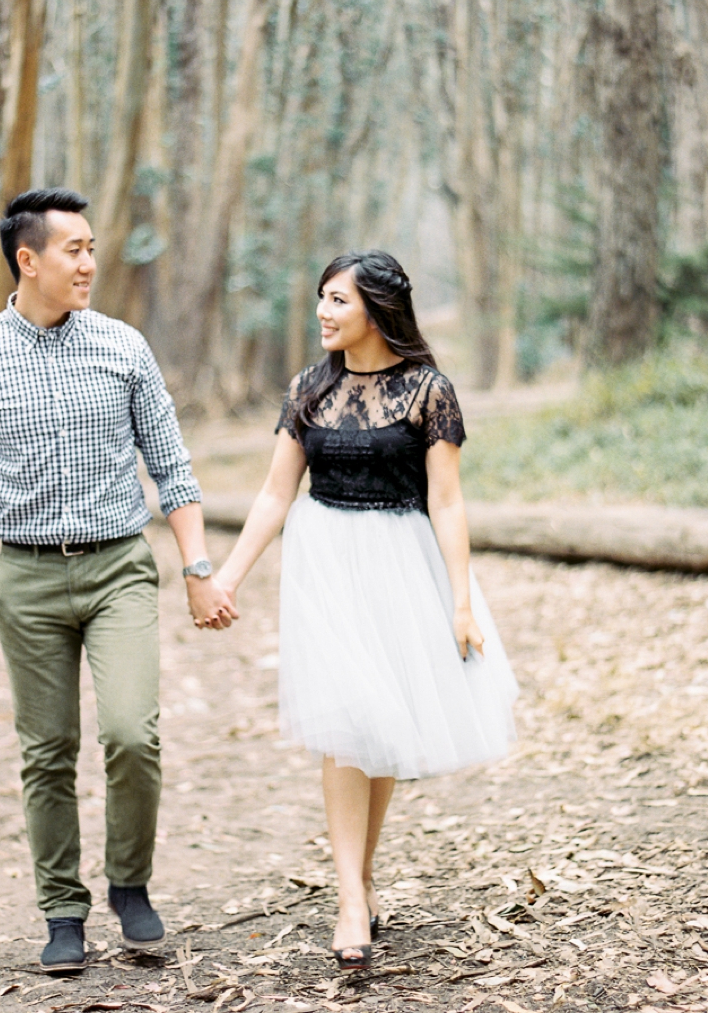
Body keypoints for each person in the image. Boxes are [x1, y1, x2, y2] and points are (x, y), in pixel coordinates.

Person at [0, 187, 237, 972]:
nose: (91, 263)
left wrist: (197, 568)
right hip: (25, 578)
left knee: (133, 733)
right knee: (48, 750)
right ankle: (63, 910)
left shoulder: (123, 347)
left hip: (118, 570)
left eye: (93, 248)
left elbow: (172, 467)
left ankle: (130, 888)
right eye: (76, 250)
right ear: (28, 260)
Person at [211, 250, 518, 970]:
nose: (323, 311)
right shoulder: (308, 389)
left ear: (377, 309)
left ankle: (363, 877)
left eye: (338, 300)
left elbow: (446, 500)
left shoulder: (428, 390)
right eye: (321, 297)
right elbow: (273, 494)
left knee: (379, 724)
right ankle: (351, 898)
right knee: (347, 728)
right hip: (324, 565)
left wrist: (462, 600)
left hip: (401, 565)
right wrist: (226, 576)